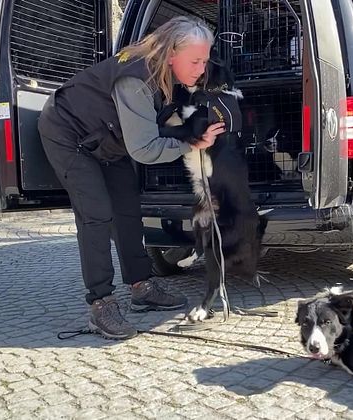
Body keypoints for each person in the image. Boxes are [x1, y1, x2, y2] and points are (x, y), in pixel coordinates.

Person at [38, 16, 226, 340]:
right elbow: (144, 149)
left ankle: (142, 286)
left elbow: (156, 124)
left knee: (127, 209)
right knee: (96, 212)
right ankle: (100, 303)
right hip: (68, 133)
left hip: (109, 139)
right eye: (195, 61)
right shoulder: (136, 79)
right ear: (171, 54)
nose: (200, 68)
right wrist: (191, 143)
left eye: (204, 60)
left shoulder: (165, 74)